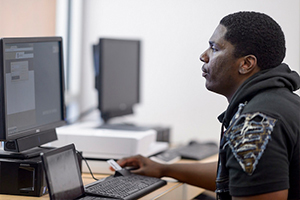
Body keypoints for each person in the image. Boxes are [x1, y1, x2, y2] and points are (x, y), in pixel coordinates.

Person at [112, 11, 300, 200]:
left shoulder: (255, 123)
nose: (204, 56)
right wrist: (163, 168)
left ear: (246, 63)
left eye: (215, 48)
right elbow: (239, 176)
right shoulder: (280, 103)